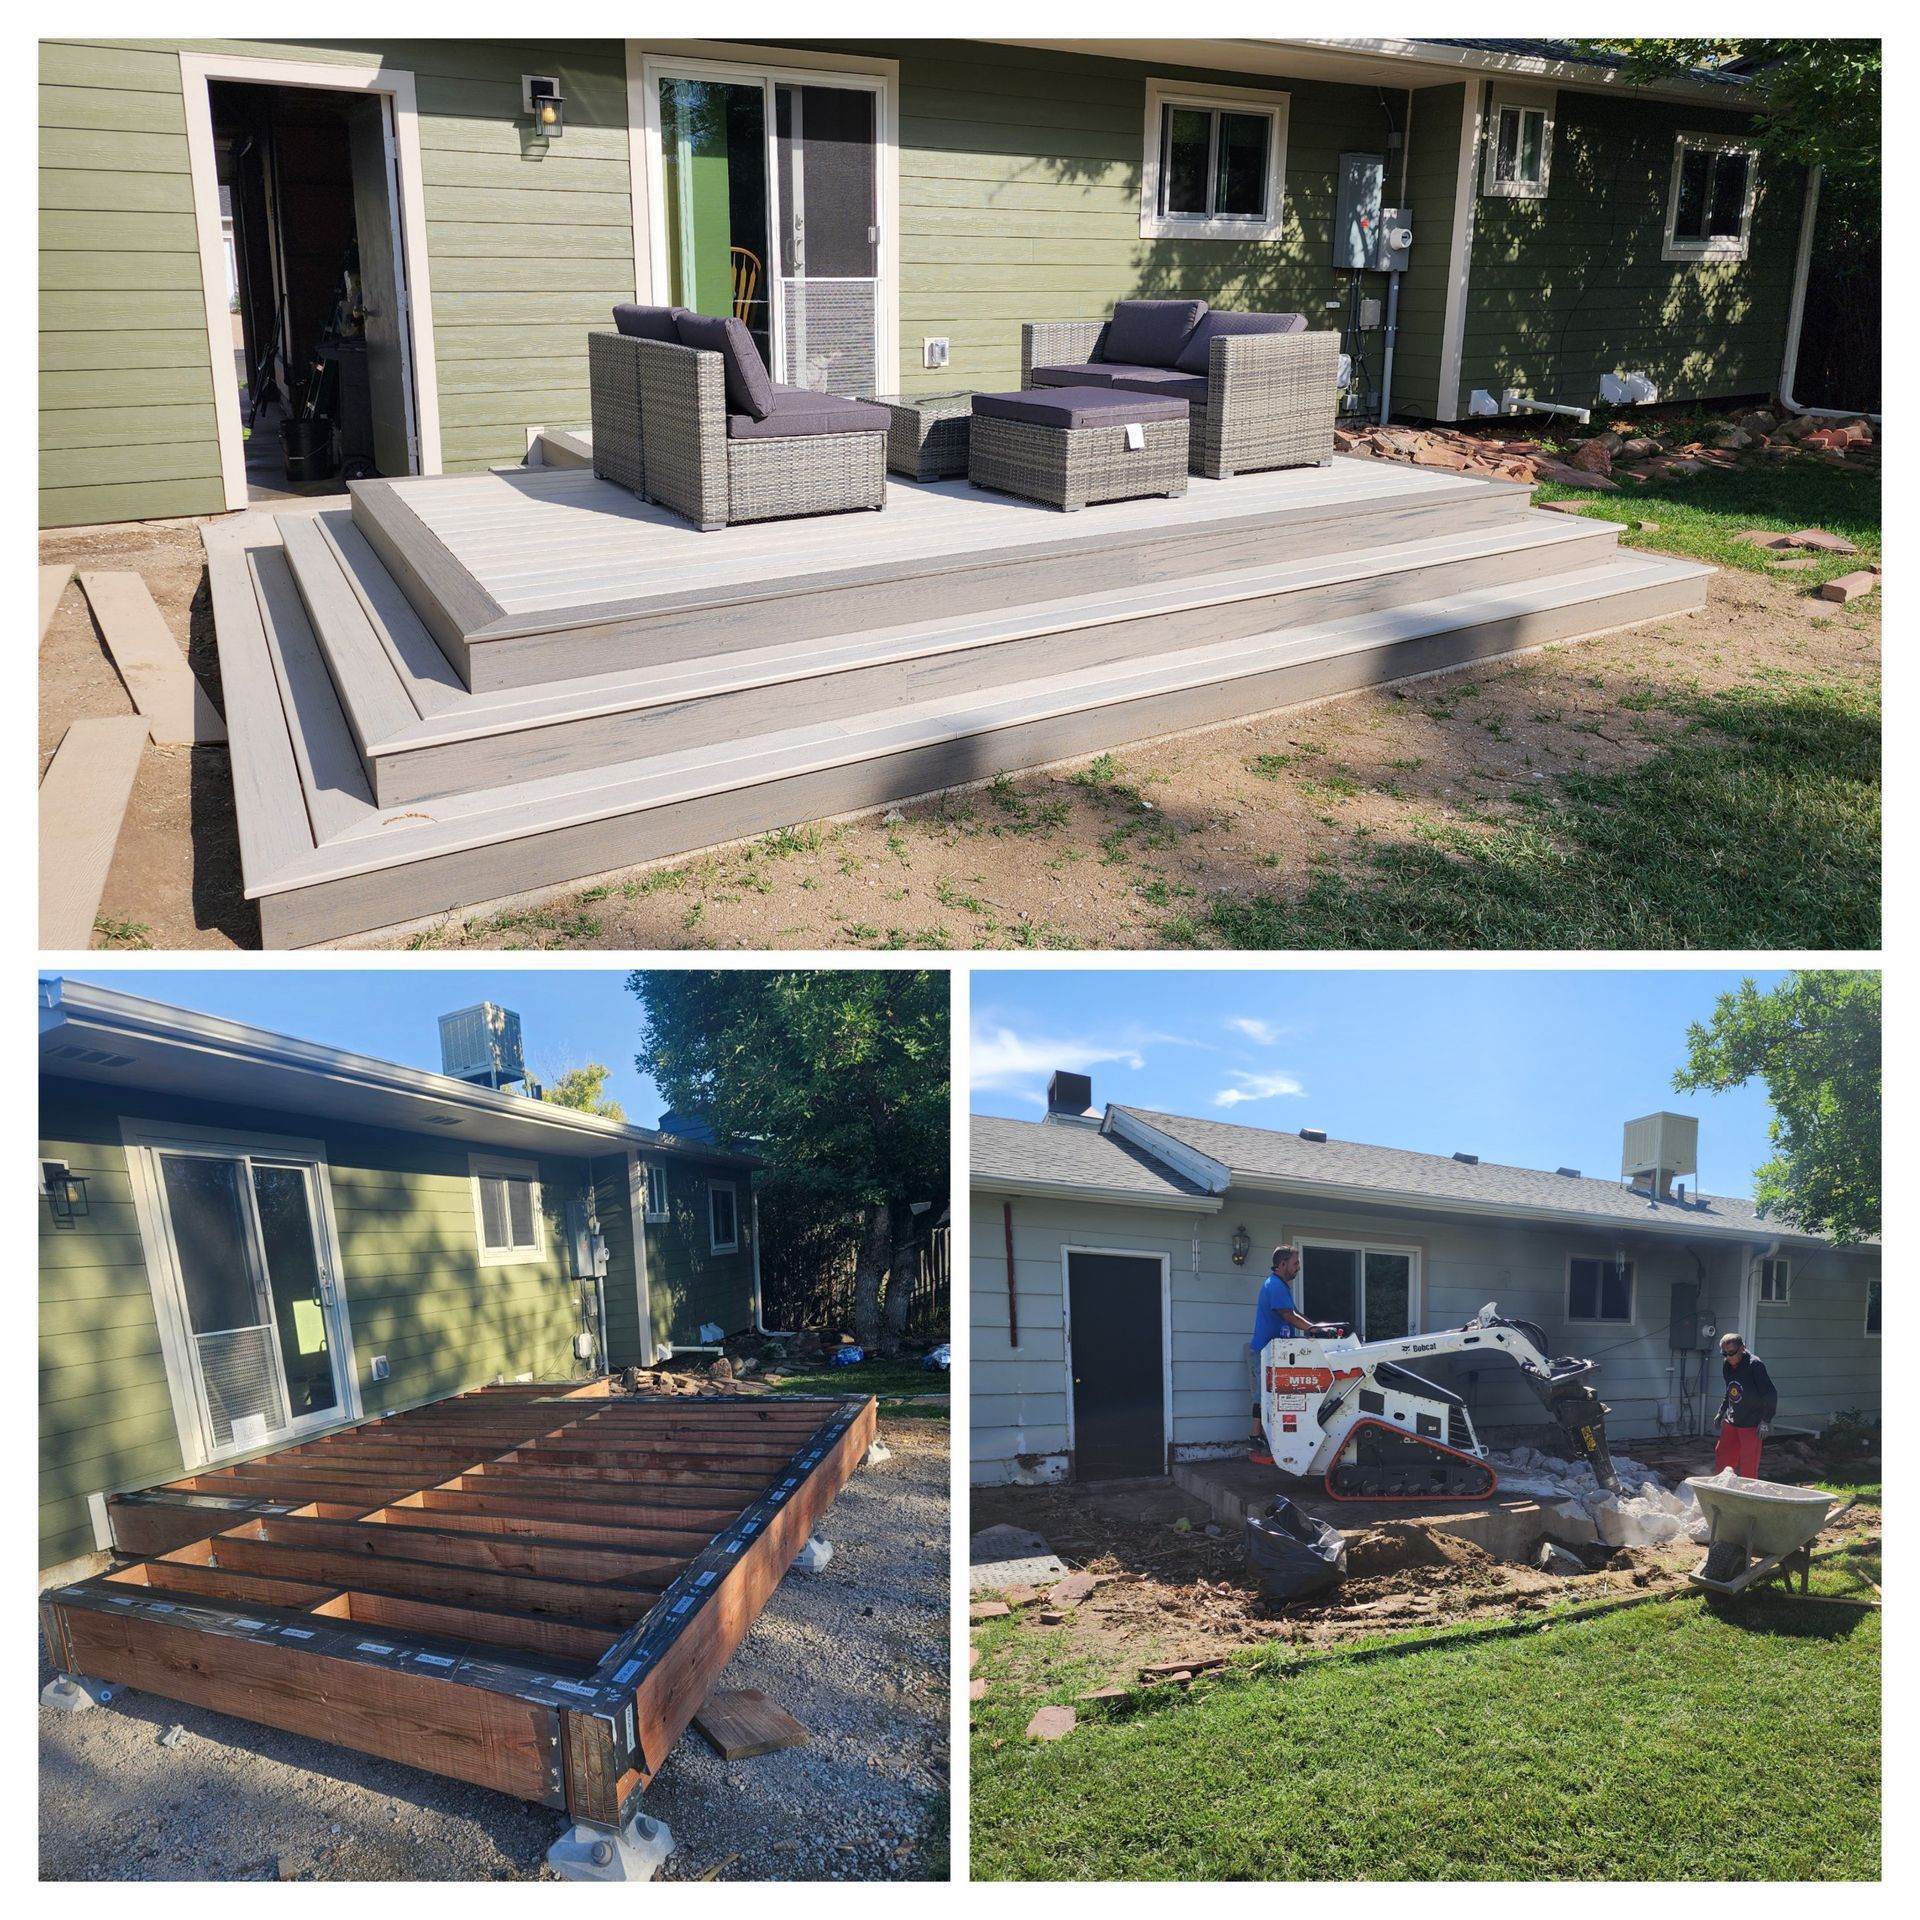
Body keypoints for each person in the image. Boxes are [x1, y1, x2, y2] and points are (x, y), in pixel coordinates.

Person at [1247, 1244, 1319, 1465]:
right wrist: (1313, 1330)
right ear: (1282, 1264)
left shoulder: (1281, 1286)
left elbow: (1296, 1313)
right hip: (1264, 1352)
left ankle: (1267, 1438)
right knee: (1264, 1396)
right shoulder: (1275, 1286)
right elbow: (1288, 1316)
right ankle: (1256, 1439)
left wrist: (1316, 1326)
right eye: (1295, 1263)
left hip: (1276, 1353)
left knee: (1275, 1398)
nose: (1298, 1267)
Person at [1714, 1329, 1778, 1478]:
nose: (1728, 1357)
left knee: (1748, 1465)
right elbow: (1730, 1390)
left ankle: (1748, 1494)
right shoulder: (1727, 1365)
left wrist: (1765, 1421)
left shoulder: (1755, 1365)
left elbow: (1770, 1393)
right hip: (1732, 1421)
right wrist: (1721, 1411)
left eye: (1731, 1353)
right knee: (1722, 1458)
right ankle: (1722, 1491)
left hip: (1752, 1424)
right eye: (1724, 1354)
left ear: (1742, 1348)